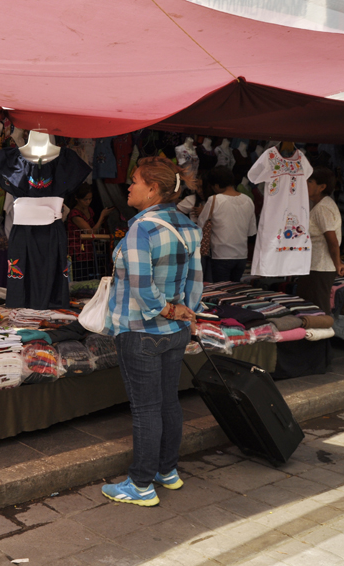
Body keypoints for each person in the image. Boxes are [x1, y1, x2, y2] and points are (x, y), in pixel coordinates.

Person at [102, 156, 203, 507]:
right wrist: (185, 313)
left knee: (147, 409)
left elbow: (144, 291)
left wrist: (170, 309)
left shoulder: (141, 229)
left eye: (134, 181)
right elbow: (196, 283)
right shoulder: (188, 226)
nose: (128, 186)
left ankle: (141, 484)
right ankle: (167, 471)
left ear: (154, 189)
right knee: (167, 403)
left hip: (140, 331)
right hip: (175, 331)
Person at [296, 167, 344, 315]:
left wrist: (338, 263)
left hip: (321, 266)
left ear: (322, 187)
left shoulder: (323, 208)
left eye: (310, 181)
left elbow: (332, 241)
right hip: (314, 265)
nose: (306, 184)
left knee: (318, 307)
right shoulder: (320, 205)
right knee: (309, 306)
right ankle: (313, 337)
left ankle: (324, 338)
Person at [197, 166, 257, 283]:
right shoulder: (248, 200)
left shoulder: (215, 199)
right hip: (241, 256)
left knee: (220, 292)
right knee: (234, 292)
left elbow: (200, 224)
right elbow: (251, 232)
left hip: (221, 255)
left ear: (217, 185)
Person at [66, 184, 113, 281]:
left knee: (89, 276)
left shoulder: (90, 210)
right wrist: (102, 216)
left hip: (89, 250)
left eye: (90, 199)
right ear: (77, 198)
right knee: (80, 276)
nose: (88, 202)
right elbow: (91, 232)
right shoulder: (75, 214)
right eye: (85, 199)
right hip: (77, 250)